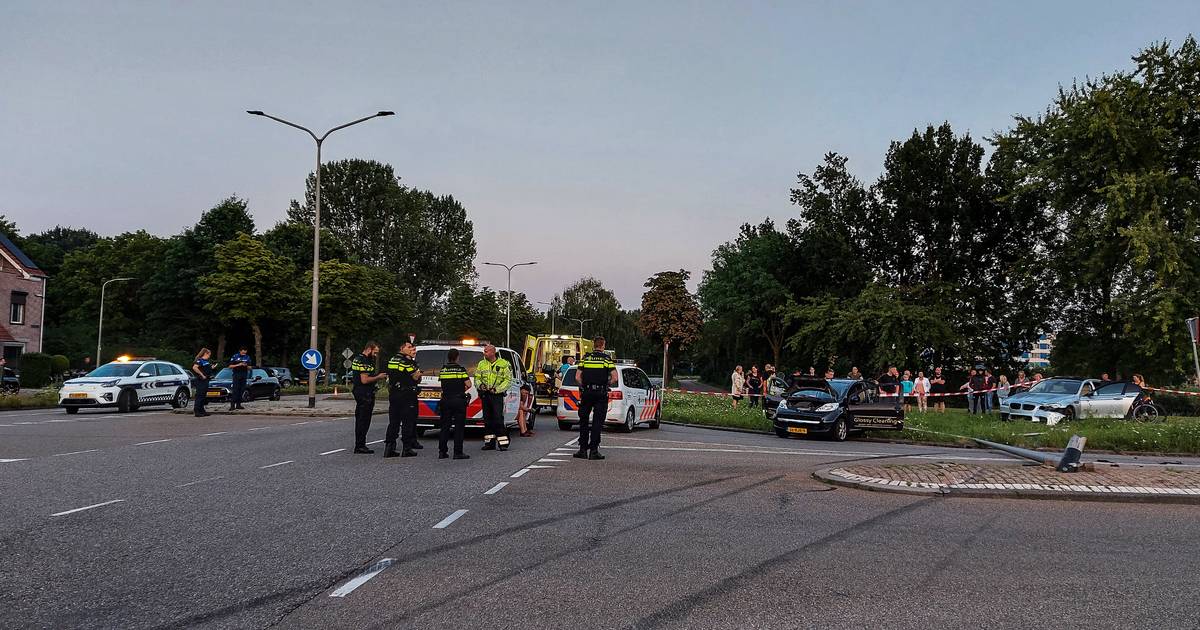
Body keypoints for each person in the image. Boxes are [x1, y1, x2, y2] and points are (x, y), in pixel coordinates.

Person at [575, 336, 617, 460]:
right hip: (600, 394)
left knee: (583, 420)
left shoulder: (586, 358)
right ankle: (594, 451)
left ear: (594, 345)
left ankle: (582, 450)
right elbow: (615, 377)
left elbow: (577, 377)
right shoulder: (606, 359)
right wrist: (606, 384)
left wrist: (584, 386)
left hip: (587, 392)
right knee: (597, 422)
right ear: (603, 346)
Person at [384, 341, 422, 458]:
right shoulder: (407, 362)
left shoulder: (392, 360)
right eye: (409, 347)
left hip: (394, 394)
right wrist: (418, 372)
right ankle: (407, 448)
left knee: (394, 422)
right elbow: (415, 377)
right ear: (402, 348)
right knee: (407, 422)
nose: (412, 349)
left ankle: (389, 448)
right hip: (407, 395)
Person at [350, 341, 387, 454]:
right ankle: (360, 446)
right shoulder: (364, 361)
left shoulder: (357, 358)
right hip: (364, 393)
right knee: (364, 420)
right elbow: (364, 380)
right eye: (375, 353)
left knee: (360, 419)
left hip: (359, 391)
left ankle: (360, 444)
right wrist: (378, 377)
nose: (375, 356)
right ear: (369, 349)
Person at [476, 344, 513, 452]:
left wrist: (497, 389)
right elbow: (478, 378)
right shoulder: (481, 364)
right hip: (485, 394)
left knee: (497, 419)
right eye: (484, 351)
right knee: (487, 420)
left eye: (486, 351)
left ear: (493, 352)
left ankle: (503, 443)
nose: (484, 353)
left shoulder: (504, 364)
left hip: (497, 395)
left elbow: (508, 380)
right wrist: (480, 385)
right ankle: (489, 443)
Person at [437, 348, 472, 459]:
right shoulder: (460, 369)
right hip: (458, 400)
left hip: (446, 400)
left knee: (445, 426)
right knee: (459, 427)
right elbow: (469, 384)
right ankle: (458, 452)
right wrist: (462, 390)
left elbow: (443, 384)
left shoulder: (443, 369)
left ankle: (442, 452)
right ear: (457, 357)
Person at [227, 346, 252, 410]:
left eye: (245, 351)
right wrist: (239, 364)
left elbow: (250, 367)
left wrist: (246, 366)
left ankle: (238, 404)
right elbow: (229, 366)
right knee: (235, 390)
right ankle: (232, 405)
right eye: (243, 351)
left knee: (242, 390)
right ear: (240, 351)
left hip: (244, 375)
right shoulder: (235, 356)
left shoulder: (247, 357)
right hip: (236, 374)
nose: (244, 353)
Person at [191, 348, 213, 417]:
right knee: (200, 395)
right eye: (209, 355)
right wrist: (202, 375)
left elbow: (205, 369)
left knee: (203, 396)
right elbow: (194, 367)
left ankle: (202, 410)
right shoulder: (199, 360)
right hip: (201, 380)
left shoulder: (206, 361)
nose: (209, 356)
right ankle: (197, 411)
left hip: (206, 380)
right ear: (205, 353)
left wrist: (211, 368)